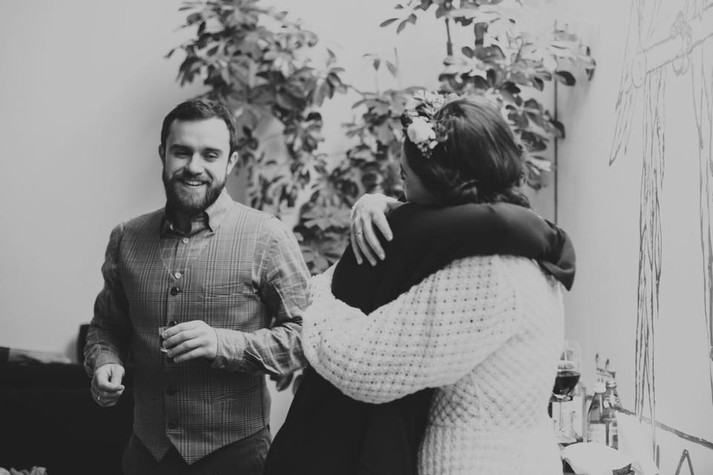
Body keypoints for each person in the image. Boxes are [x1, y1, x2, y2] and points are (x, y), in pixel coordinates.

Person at [265, 92, 575, 474]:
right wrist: (381, 204)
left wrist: (318, 295)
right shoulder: (524, 244)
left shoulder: (485, 273)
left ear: (442, 185)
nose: (403, 190)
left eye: (405, 177)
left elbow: (361, 363)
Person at [83, 99, 312, 475]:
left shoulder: (268, 236)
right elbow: (106, 327)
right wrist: (105, 361)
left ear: (231, 162)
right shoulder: (127, 237)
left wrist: (224, 344)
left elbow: (308, 338)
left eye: (210, 154)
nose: (193, 166)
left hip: (238, 458)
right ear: (163, 154)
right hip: (145, 456)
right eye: (182, 152)